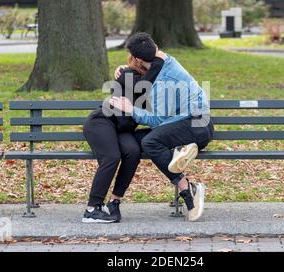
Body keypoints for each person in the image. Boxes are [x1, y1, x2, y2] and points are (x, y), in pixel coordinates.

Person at [111, 32, 214, 222]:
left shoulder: (164, 81)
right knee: (134, 142)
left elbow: (158, 120)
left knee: (150, 141)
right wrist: (127, 70)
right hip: (183, 125)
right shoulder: (164, 59)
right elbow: (149, 72)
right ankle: (181, 150)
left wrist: (130, 109)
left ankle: (187, 188)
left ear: (138, 58)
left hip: (197, 124)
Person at [82, 55, 164, 223]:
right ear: (139, 60)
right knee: (111, 157)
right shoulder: (127, 74)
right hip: (102, 122)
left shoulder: (153, 83)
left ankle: (114, 202)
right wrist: (159, 61)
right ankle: (92, 209)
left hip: (121, 129)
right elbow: (144, 86)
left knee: (133, 152)